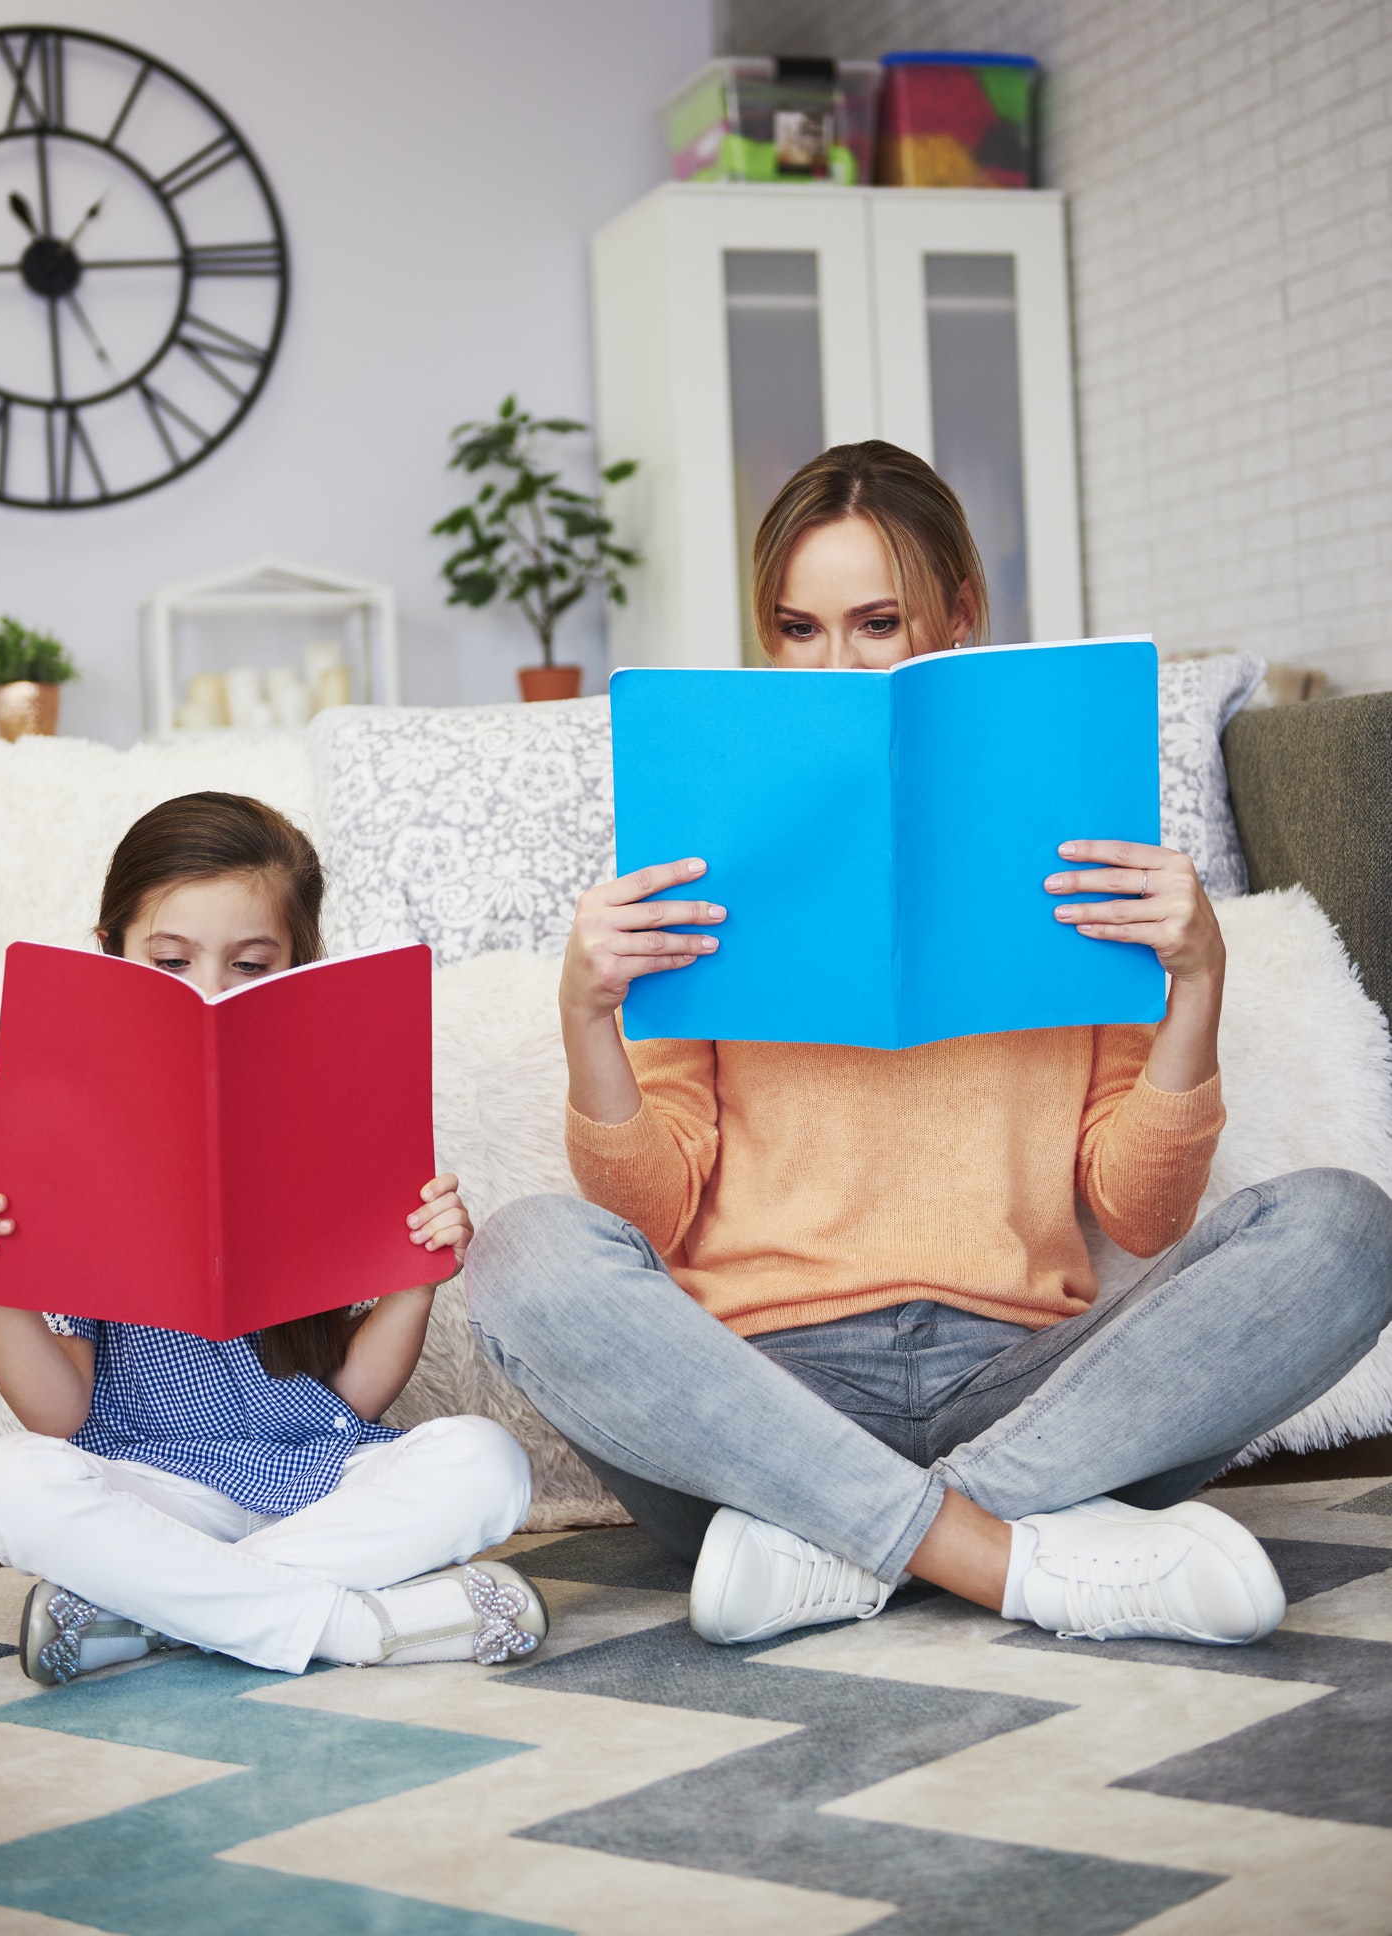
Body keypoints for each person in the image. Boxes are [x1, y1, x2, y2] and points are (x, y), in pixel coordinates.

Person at [465, 440, 1392, 1651]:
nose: (834, 663)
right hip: (756, 1404)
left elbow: (1142, 1210)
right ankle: (1004, 1556)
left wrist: (1196, 980)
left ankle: (845, 1548)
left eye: (876, 622)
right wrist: (589, 1013)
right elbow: (649, 1212)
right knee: (524, 1252)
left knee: (1343, 1225)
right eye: (797, 628)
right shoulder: (704, 858)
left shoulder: (1063, 846)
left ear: (955, 620)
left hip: (1033, 1389)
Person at [0, 792, 544, 1687]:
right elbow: (58, 1416)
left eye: (251, 965)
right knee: (0, 1481)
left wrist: (416, 1278)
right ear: (109, 956)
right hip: (154, 1492)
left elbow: (351, 1397)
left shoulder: (336, 1122)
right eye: (172, 961)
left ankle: (150, 1612)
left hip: (324, 1480)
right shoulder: (67, 1145)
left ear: (301, 966)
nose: (211, 993)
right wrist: (5, 1284)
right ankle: (356, 1625)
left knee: (487, 1464)